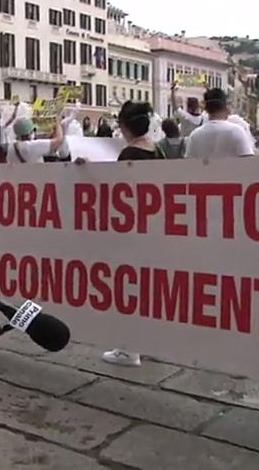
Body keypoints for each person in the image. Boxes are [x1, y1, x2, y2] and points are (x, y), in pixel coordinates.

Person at [95, 102, 164, 367]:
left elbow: (117, 191)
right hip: (153, 230)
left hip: (132, 232)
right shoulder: (158, 151)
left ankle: (129, 349)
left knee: (129, 289)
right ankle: (145, 343)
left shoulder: (129, 154)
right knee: (147, 289)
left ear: (125, 127)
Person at [184, 88, 255, 158]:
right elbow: (249, 162)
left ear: (206, 108)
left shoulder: (195, 136)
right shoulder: (237, 132)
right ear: (226, 106)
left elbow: (188, 164)